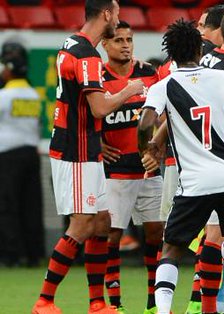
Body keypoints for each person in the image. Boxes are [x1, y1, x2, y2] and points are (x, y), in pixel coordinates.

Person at [137, 19, 224, 314]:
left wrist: (146, 148)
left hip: (195, 182)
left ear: (170, 54)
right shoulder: (223, 79)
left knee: (171, 249)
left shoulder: (164, 86)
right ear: (199, 49)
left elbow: (145, 122)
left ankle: (163, 311)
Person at [32, 1, 145, 313]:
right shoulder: (87, 54)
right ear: (106, 14)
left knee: (102, 221)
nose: (119, 20)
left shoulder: (71, 43)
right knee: (82, 224)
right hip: (76, 149)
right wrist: (129, 91)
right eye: (117, 14)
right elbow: (98, 109)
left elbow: (87, 101)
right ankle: (44, 300)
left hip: (85, 145)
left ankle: (97, 303)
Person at [98, 21, 164, 314]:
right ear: (105, 45)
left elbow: (163, 115)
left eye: (129, 39)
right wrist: (97, 145)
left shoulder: (149, 73)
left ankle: (153, 302)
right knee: (112, 237)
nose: (125, 45)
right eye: (118, 40)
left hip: (149, 168)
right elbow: (81, 117)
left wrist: (159, 147)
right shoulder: (97, 77)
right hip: (115, 171)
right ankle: (115, 303)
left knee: (156, 233)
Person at [0, 42, 44, 268]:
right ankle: (34, 253)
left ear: (8, 70)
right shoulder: (33, 95)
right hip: (31, 153)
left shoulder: (4, 96)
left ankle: (11, 254)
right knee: (32, 205)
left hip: (8, 155)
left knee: (9, 205)